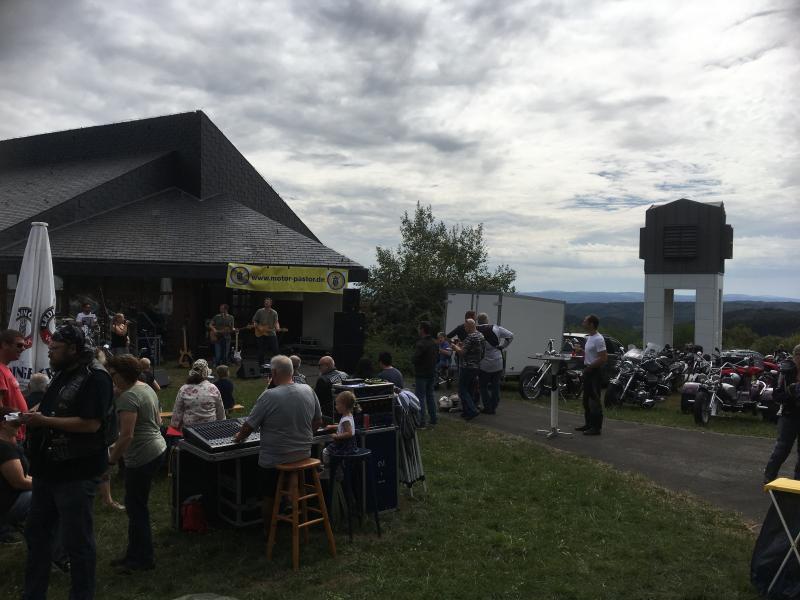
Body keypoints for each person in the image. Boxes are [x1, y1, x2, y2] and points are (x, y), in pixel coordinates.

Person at [20, 323, 114, 600]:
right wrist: (32, 413)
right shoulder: (63, 372)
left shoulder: (95, 377)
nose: (50, 354)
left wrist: (44, 420)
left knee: (77, 542)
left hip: (76, 472)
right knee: (36, 534)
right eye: (50, 348)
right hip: (48, 470)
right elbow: (54, 406)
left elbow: (91, 424)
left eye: (56, 349)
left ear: (73, 349)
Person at [233, 355, 322, 525]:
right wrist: (304, 436)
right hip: (304, 454)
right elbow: (317, 421)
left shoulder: (269, 396)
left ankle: (268, 531)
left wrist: (238, 438)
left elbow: (248, 427)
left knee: (268, 494)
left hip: (276, 459)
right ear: (292, 371)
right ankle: (292, 506)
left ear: (273, 372)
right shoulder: (308, 390)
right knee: (288, 477)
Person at [106, 354, 167, 572]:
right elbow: (158, 420)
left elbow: (126, 436)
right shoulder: (145, 387)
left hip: (142, 456)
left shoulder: (128, 397)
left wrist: (112, 461)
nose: (112, 379)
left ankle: (143, 559)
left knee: (137, 508)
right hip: (158, 447)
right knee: (136, 506)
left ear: (123, 374)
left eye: (113, 375)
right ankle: (134, 553)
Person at [763, 344, 800, 483]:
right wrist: (791, 392)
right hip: (789, 414)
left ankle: (798, 483)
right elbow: (777, 395)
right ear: (796, 356)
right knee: (783, 448)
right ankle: (769, 476)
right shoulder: (785, 371)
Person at [0, 407, 31, 544]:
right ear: (4, 424)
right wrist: (48, 484)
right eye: (16, 423)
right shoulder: (5, 449)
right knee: (49, 496)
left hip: (9, 501)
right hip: (8, 504)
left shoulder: (7, 446)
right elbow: (20, 482)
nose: (19, 427)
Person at [170, 359, 225, 431]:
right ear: (206, 373)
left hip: (190, 432)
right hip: (211, 431)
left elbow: (177, 413)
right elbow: (220, 412)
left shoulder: (184, 389)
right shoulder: (213, 388)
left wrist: (174, 427)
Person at [477, 313, 514, 415]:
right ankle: (493, 406)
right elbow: (510, 335)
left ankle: (487, 407)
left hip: (484, 363)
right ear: (487, 320)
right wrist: (503, 346)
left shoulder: (475, 330)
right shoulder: (496, 328)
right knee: (495, 386)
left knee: (483, 386)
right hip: (497, 361)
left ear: (478, 321)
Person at [576, 314, 608, 436]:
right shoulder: (590, 337)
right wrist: (581, 352)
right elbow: (591, 355)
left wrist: (589, 368)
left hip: (594, 372)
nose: (583, 323)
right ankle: (588, 424)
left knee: (594, 401)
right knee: (586, 400)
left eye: (585, 321)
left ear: (591, 324)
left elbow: (603, 358)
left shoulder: (599, 339)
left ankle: (596, 428)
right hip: (589, 370)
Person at [0, 329, 29, 442]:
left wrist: (26, 415)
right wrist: (21, 418)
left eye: (24, 346)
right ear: (4, 344)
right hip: (9, 437)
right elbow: (0, 411)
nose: (23, 349)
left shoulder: (5, 368)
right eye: (19, 345)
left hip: (14, 435)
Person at [451, 319, 483, 421]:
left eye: (465, 326)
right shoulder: (480, 335)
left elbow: (462, 353)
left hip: (467, 366)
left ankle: (473, 410)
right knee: (470, 390)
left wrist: (455, 347)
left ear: (470, 326)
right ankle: (467, 412)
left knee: (462, 390)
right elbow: (477, 350)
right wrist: (462, 346)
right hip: (476, 366)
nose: (464, 329)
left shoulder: (470, 337)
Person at [413, 322, 439, 427]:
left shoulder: (421, 344)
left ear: (422, 330)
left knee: (420, 397)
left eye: (419, 329)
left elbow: (415, 358)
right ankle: (433, 419)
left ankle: (421, 421)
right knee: (430, 396)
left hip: (421, 374)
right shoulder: (434, 343)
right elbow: (437, 356)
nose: (418, 331)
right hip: (431, 373)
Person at [322, 390, 358, 465]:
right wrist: (331, 426)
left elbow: (349, 433)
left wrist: (337, 436)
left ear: (344, 406)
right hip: (350, 444)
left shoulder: (345, 419)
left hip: (345, 444)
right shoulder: (349, 415)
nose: (336, 407)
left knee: (325, 451)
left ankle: (327, 468)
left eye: (337, 404)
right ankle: (335, 467)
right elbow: (343, 426)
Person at [252, 297, 280, 369]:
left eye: (267, 302)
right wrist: (257, 326)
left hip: (271, 333)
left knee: (275, 349)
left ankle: (276, 365)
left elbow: (276, 322)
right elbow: (255, 320)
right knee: (261, 350)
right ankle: (260, 365)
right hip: (260, 333)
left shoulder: (274, 312)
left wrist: (277, 327)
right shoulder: (259, 311)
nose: (266, 303)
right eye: (265, 302)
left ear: (271, 303)